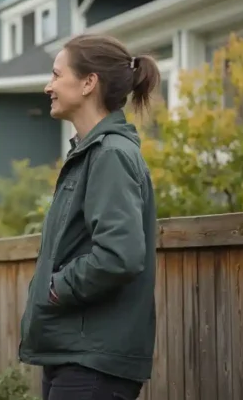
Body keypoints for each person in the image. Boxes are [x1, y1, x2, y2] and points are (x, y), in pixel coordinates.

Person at [18, 33, 160, 400]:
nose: (48, 86)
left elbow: (119, 256)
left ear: (88, 83)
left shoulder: (110, 155)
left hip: (95, 362)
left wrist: (55, 288)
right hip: (75, 355)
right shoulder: (89, 153)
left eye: (56, 74)